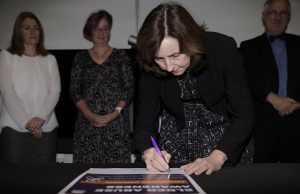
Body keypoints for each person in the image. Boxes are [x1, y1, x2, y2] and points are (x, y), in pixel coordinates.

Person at [133, 2, 254, 176]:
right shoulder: (152, 65)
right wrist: (148, 151)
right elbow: (144, 124)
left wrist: (217, 157)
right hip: (177, 143)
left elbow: (244, 114)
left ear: (191, 42)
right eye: (160, 58)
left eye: (175, 55)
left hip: (226, 142)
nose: (168, 67)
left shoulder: (222, 48)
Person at [69, 10, 135, 164]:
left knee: (116, 178)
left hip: (116, 126)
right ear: (90, 31)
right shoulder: (80, 57)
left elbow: (129, 89)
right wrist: (91, 116)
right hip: (87, 126)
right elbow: (74, 92)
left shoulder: (121, 56)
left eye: (105, 28)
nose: (101, 32)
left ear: (110, 31)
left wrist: (114, 114)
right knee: (86, 179)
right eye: (97, 28)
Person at [240, 0, 300, 162]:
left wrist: (293, 104)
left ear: (289, 18)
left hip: (296, 124)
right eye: (273, 12)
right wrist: (273, 99)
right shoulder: (247, 47)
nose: (278, 17)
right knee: (261, 180)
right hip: (262, 127)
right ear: (264, 16)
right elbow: (246, 80)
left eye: (284, 13)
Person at [0, 11, 61, 163]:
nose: (33, 32)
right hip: (14, 128)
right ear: (18, 31)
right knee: (14, 182)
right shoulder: (6, 56)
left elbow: (55, 91)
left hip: (46, 129)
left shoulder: (49, 59)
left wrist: (40, 118)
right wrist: (27, 122)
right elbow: (8, 92)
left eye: (36, 28)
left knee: (45, 182)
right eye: (27, 28)